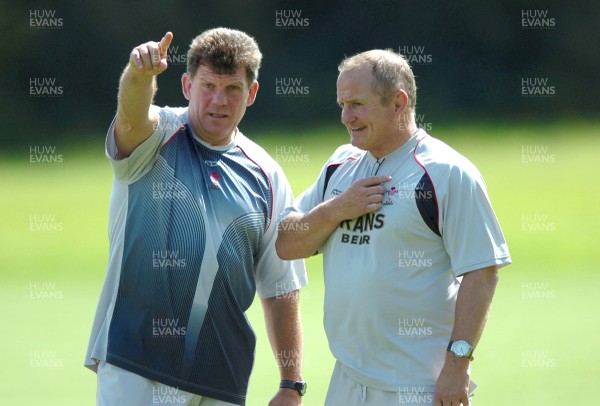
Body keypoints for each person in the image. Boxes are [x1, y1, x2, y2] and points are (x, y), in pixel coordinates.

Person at [85, 28, 308, 406]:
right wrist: (139, 75)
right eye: (208, 86)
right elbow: (131, 116)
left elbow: (280, 285)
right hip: (137, 366)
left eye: (232, 89)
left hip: (221, 376)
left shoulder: (267, 175)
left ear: (251, 94)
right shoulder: (154, 136)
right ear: (187, 85)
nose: (218, 101)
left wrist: (291, 383)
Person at [276, 49, 511, 406]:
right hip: (347, 380)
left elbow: (482, 270)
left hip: (418, 385)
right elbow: (286, 244)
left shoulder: (446, 172)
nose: (345, 116)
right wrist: (336, 210)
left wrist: (458, 366)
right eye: (342, 104)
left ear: (398, 102)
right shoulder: (341, 164)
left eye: (357, 104)